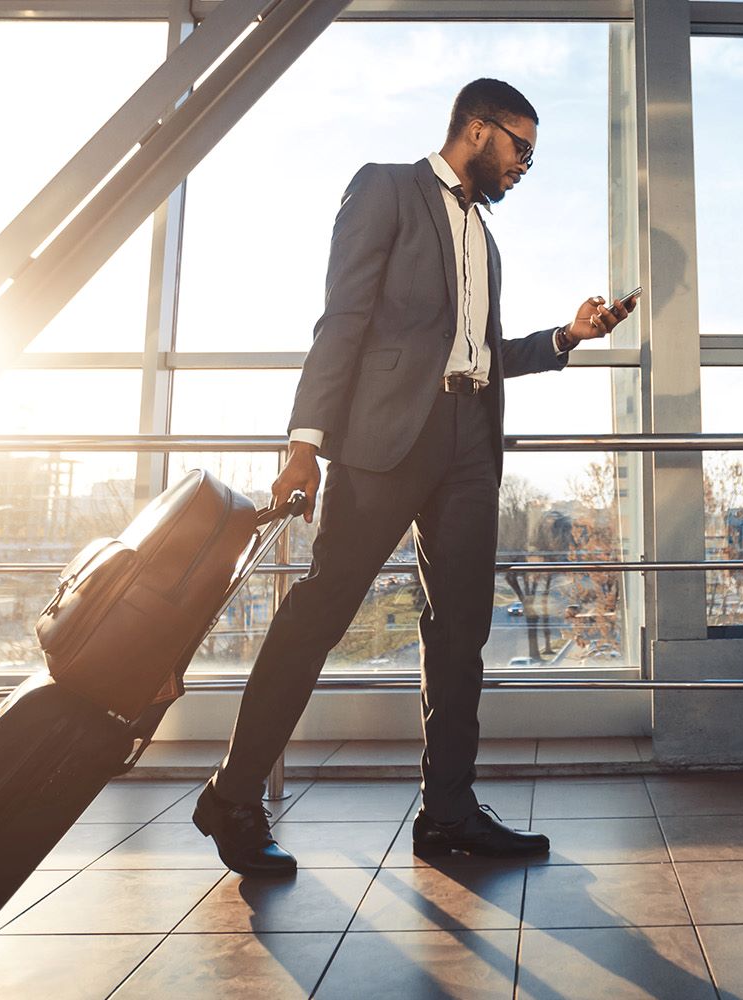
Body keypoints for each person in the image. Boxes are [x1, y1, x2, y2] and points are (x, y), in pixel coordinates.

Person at [191, 78, 636, 875]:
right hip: (386, 439)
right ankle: (232, 794)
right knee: (319, 613)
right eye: (520, 148)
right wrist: (303, 442)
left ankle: (448, 812)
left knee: (461, 632)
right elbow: (344, 319)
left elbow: (481, 356)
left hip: (470, 442)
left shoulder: (486, 239)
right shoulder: (387, 187)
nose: (526, 165)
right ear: (476, 128)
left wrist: (568, 336)